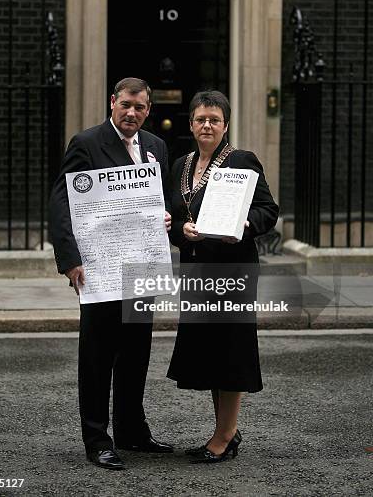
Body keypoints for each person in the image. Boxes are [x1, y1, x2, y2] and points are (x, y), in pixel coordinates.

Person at [49, 77, 173, 470]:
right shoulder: (86, 143)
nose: (132, 113)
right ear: (113, 104)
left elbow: (160, 199)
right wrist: (70, 260)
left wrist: (166, 217)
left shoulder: (156, 147)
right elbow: (60, 203)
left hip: (141, 266)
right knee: (98, 356)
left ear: (148, 109)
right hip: (100, 270)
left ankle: (133, 433)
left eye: (139, 107)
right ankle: (97, 439)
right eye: (126, 106)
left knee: (136, 353)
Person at [167, 90, 279, 463]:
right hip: (197, 270)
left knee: (230, 350)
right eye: (201, 119)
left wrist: (244, 222)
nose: (207, 125)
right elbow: (171, 217)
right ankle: (225, 432)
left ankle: (224, 436)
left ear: (225, 124)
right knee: (210, 352)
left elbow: (268, 209)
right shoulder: (180, 165)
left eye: (214, 119)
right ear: (191, 124)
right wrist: (181, 229)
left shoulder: (242, 160)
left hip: (232, 270)